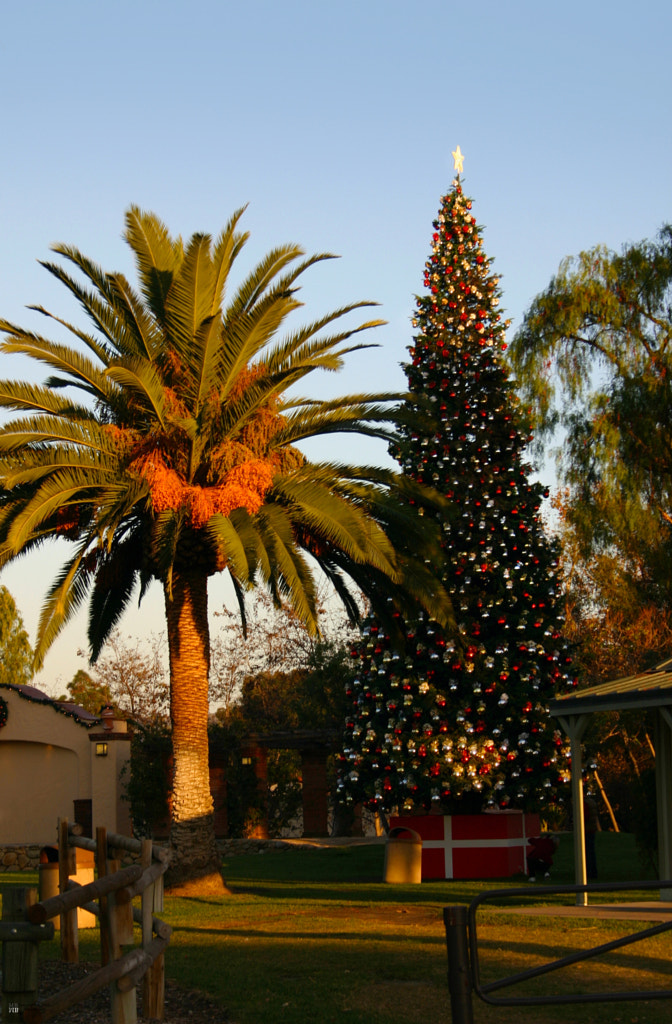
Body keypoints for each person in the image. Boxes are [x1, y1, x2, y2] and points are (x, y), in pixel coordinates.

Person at [583, 794, 598, 881]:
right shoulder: (592, 802)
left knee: (588, 852)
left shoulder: (585, 804)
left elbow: (585, 816)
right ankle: (593, 872)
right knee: (591, 852)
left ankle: (589, 872)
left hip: (587, 829)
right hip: (591, 829)